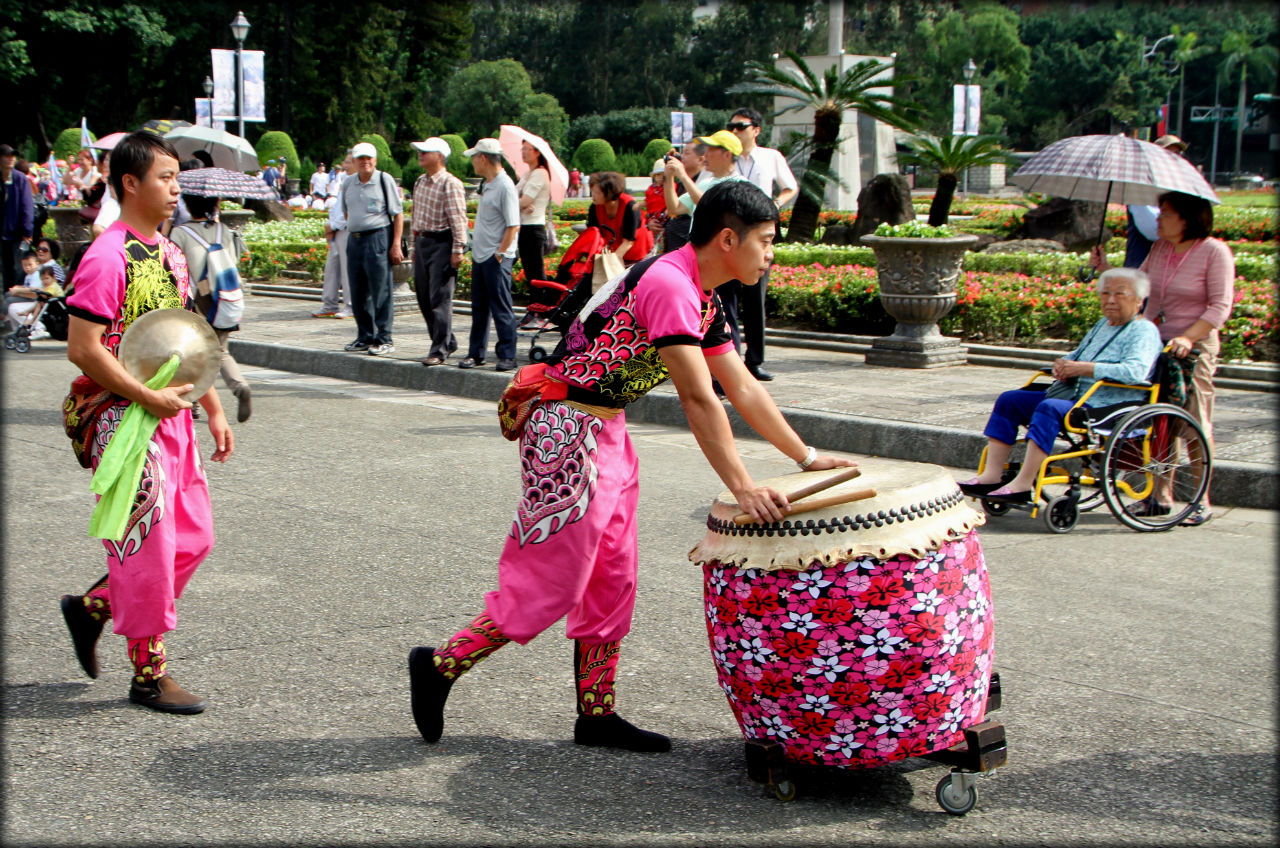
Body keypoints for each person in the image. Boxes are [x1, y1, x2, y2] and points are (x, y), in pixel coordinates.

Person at [407, 179, 856, 753]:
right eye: (766, 241)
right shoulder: (671, 284)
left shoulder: (702, 293)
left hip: (604, 426)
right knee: (554, 577)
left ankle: (596, 716)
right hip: (564, 426)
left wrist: (806, 457)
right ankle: (441, 665)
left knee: (612, 576)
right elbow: (698, 399)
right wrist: (742, 487)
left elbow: (739, 385)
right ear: (727, 239)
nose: (771, 254)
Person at [60, 130, 234, 714]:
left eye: (176, 178)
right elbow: (83, 348)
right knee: (150, 544)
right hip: (121, 418)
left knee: (195, 537)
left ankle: (93, 608)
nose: (174, 188)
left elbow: (187, 337)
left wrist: (211, 407)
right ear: (129, 183)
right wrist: (143, 396)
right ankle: (148, 674)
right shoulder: (106, 256)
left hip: (170, 414)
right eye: (165, 178)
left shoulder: (170, 252)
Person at [958, 267, 1162, 504]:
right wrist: (1064, 364)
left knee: (1050, 408)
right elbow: (1078, 354)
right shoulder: (1102, 325)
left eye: (1120, 294)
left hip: (1106, 404)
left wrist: (1085, 368)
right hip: (1075, 395)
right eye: (1105, 294)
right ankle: (992, 476)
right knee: (1010, 400)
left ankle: (1023, 484)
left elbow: (1135, 371)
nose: (1111, 300)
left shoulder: (1144, 331)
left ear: (1139, 300)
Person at [1092, 191, 1234, 526]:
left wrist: (1188, 336)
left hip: (1193, 346)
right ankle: (1160, 494)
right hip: (1155, 344)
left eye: (1166, 212)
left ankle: (1200, 498)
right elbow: (1138, 287)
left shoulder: (1214, 252)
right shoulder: (1160, 249)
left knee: (1194, 418)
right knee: (1157, 421)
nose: (1158, 218)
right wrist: (1106, 269)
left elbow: (1219, 306)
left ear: (1188, 217)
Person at [723, 108, 798, 382]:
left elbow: (790, 186)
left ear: (756, 129)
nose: (735, 131)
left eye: (740, 126)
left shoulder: (770, 157)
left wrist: (774, 205)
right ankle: (729, 358)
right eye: (731, 126)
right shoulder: (726, 157)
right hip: (731, 234)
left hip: (759, 234)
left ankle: (755, 361)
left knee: (755, 300)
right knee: (726, 299)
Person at [169, 193, 253, 423]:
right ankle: (239, 385)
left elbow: (174, 269)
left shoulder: (179, 233)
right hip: (223, 298)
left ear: (186, 204)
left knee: (189, 352)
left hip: (196, 300)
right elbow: (233, 261)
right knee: (220, 350)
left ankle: (192, 402)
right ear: (215, 203)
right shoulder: (223, 230)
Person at [459, 138, 519, 372]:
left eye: (474, 157)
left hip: (496, 258)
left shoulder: (505, 185)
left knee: (501, 307)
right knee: (479, 308)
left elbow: (513, 225)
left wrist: (501, 252)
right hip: (481, 256)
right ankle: (476, 353)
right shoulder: (488, 184)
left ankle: (507, 354)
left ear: (482, 158)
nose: (473, 162)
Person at [340, 141, 404, 356]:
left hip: (378, 237)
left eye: (369, 158)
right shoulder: (348, 183)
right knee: (358, 291)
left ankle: (384, 337)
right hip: (355, 239)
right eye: (361, 158)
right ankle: (365, 335)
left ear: (375, 160)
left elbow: (398, 215)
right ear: (355, 161)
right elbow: (347, 212)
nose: (365, 162)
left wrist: (395, 244)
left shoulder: (384, 180)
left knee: (381, 290)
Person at [408, 137, 467, 366]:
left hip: (443, 242)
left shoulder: (450, 183)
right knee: (423, 297)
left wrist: (458, 249)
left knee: (439, 298)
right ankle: (447, 340)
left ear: (440, 156)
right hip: (423, 243)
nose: (420, 154)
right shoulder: (420, 182)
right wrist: (414, 247)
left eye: (426, 151)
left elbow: (458, 219)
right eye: (420, 151)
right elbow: (416, 217)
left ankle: (439, 349)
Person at [1124, 135, 1187, 268]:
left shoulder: (1177, 186)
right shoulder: (1141, 185)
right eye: (1169, 153)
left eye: (1177, 154)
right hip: (1141, 264)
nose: (1174, 158)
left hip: (1167, 265)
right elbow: (1152, 229)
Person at [315, 152, 355, 319]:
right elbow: (337, 208)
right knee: (332, 268)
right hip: (336, 229)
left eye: (347, 162)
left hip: (346, 229)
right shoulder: (343, 180)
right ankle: (329, 303)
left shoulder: (356, 182)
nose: (344, 166)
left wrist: (333, 226)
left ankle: (351, 305)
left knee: (347, 269)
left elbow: (348, 211)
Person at [586, 171, 653, 265]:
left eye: (597, 192)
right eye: (592, 191)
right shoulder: (594, 208)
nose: (592, 195)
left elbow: (628, 241)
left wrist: (611, 263)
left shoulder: (629, 206)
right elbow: (595, 235)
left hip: (637, 255)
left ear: (609, 193)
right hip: (614, 252)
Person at [515, 140, 552, 292]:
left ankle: (541, 306)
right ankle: (536, 307)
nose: (523, 152)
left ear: (537, 152)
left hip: (533, 228)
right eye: (522, 149)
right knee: (530, 273)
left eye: (527, 149)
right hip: (524, 227)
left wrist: (521, 203)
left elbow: (526, 200)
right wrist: (521, 203)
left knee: (536, 274)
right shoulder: (527, 174)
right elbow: (518, 199)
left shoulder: (540, 173)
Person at [659, 140, 707, 254]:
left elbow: (703, 205)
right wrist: (668, 175)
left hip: (691, 245)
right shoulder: (682, 183)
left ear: (700, 159)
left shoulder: (705, 182)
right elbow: (672, 209)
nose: (681, 157)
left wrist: (682, 174)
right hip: (674, 245)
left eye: (686, 153)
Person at [1, 142, 35, 290]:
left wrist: (27, 230)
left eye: (13, 156)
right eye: (7, 156)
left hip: (16, 232)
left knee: (16, 268)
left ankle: (13, 296)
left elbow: (27, 205)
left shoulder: (20, 178)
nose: (11, 159)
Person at [6, 263, 62, 339]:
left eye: (46, 278)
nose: (44, 281)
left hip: (55, 306)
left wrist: (27, 291)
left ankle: (33, 321)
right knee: (39, 300)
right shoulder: (49, 286)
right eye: (42, 279)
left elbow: (46, 295)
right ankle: (29, 315)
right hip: (49, 305)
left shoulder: (53, 286)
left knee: (40, 300)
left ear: (54, 278)